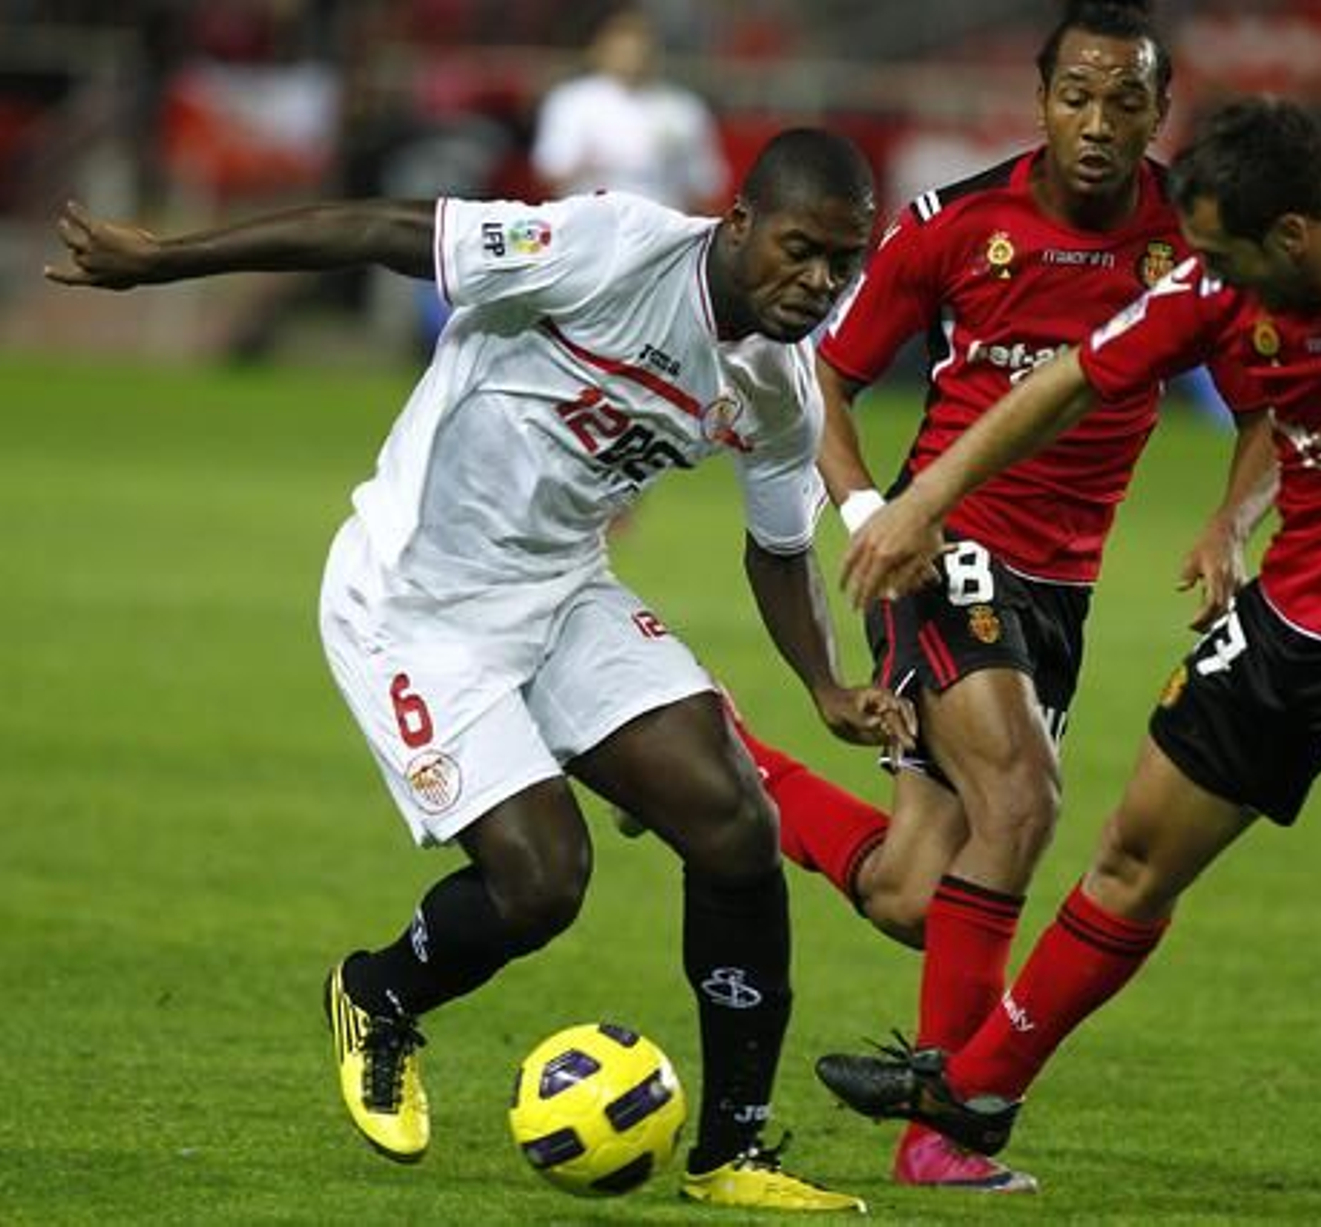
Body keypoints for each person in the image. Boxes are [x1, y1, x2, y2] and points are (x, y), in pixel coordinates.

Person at [46, 127, 915, 1214]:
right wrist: (167, 259)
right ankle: (378, 993)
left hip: (562, 594)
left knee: (735, 822)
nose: (819, 283)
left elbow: (779, 548)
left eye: (844, 261)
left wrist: (826, 688)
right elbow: (387, 229)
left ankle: (731, 1151)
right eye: (800, 249)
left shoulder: (779, 387)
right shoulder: (610, 246)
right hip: (414, 601)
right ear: (739, 222)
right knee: (543, 883)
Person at [814, 97, 1321, 1225]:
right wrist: (922, 500)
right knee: (1127, 858)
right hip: (1283, 629)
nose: (1205, 282)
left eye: (1222, 256)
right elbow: (1068, 380)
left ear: (1291, 237)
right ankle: (974, 1097)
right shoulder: (1217, 285)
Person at [718, 0, 1276, 1194]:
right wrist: (871, 512)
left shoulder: (1191, 238)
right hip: (943, 551)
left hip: (1059, 593)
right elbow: (826, 370)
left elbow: (1267, 398)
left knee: (919, 893)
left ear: (1156, 113)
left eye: (1123, 100)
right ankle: (943, 1125)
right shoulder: (957, 226)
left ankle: (726, 761)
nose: (1095, 123)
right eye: (1074, 95)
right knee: (1022, 796)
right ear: (1039, 102)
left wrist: (1233, 517)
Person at [531, 5, 729, 213]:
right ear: (600, 52)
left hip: (663, 221)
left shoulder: (683, 108)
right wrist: (600, 160)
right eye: (623, 50)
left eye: (640, 49)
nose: (633, 58)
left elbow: (706, 184)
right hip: (592, 220)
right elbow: (551, 171)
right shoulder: (572, 101)